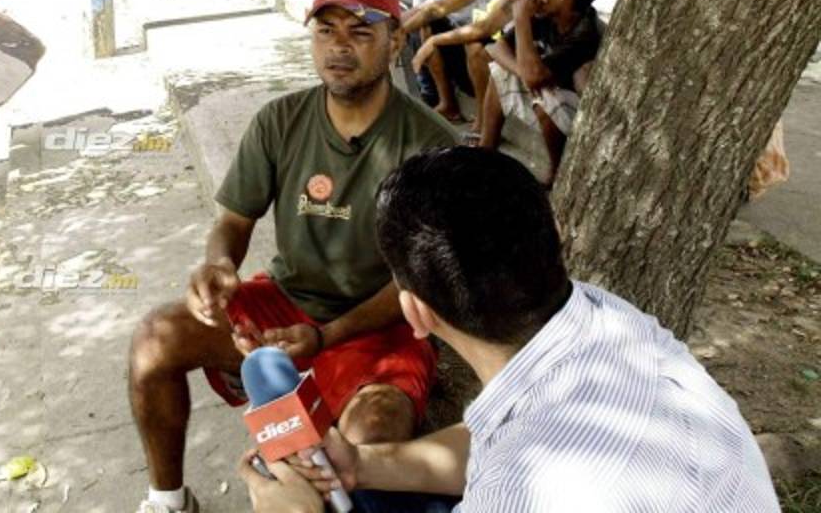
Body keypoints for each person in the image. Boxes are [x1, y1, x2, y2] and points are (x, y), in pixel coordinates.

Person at [240, 148, 780, 513]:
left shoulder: (519, 495)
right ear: (554, 238)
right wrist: (360, 463)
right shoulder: (606, 316)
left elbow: (515, 471)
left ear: (417, 314)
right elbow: (501, 441)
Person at [128, 0, 458, 513]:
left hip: (381, 324)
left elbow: (415, 283)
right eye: (326, 30)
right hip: (283, 306)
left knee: (372, 432)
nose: (339, 47)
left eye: (360, 31)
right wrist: (218, 269)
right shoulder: (279, 120)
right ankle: (167, 500)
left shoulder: (430, 145)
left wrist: (325, 338)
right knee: (155, 337)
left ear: (395, 40)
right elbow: (233, 223)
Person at [480, 0, 605, 183]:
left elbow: (535, 78)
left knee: (545, 101)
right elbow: (495, 48)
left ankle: (558, 173)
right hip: (549, 93)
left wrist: (521, 20)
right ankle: (486, 150)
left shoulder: (585, 31)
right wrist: (522, 72)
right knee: (500, 73)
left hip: (580, 115)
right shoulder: (548, 16)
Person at [408, 0, 522, 142]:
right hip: (479, 62)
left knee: (475, 45)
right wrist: (399, 31)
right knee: (431, 22)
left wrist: (433, 42)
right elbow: (438, 8)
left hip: (508, 59)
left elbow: (484, 29)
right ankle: (448, 103)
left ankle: (484, 122)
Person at [396, 0, 473, 121]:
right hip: (434, 46)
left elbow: (426, 11)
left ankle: (445, 101)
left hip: (460, 52)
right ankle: (425, 92)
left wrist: (391, 29)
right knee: (404, 19)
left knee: (426, 22)